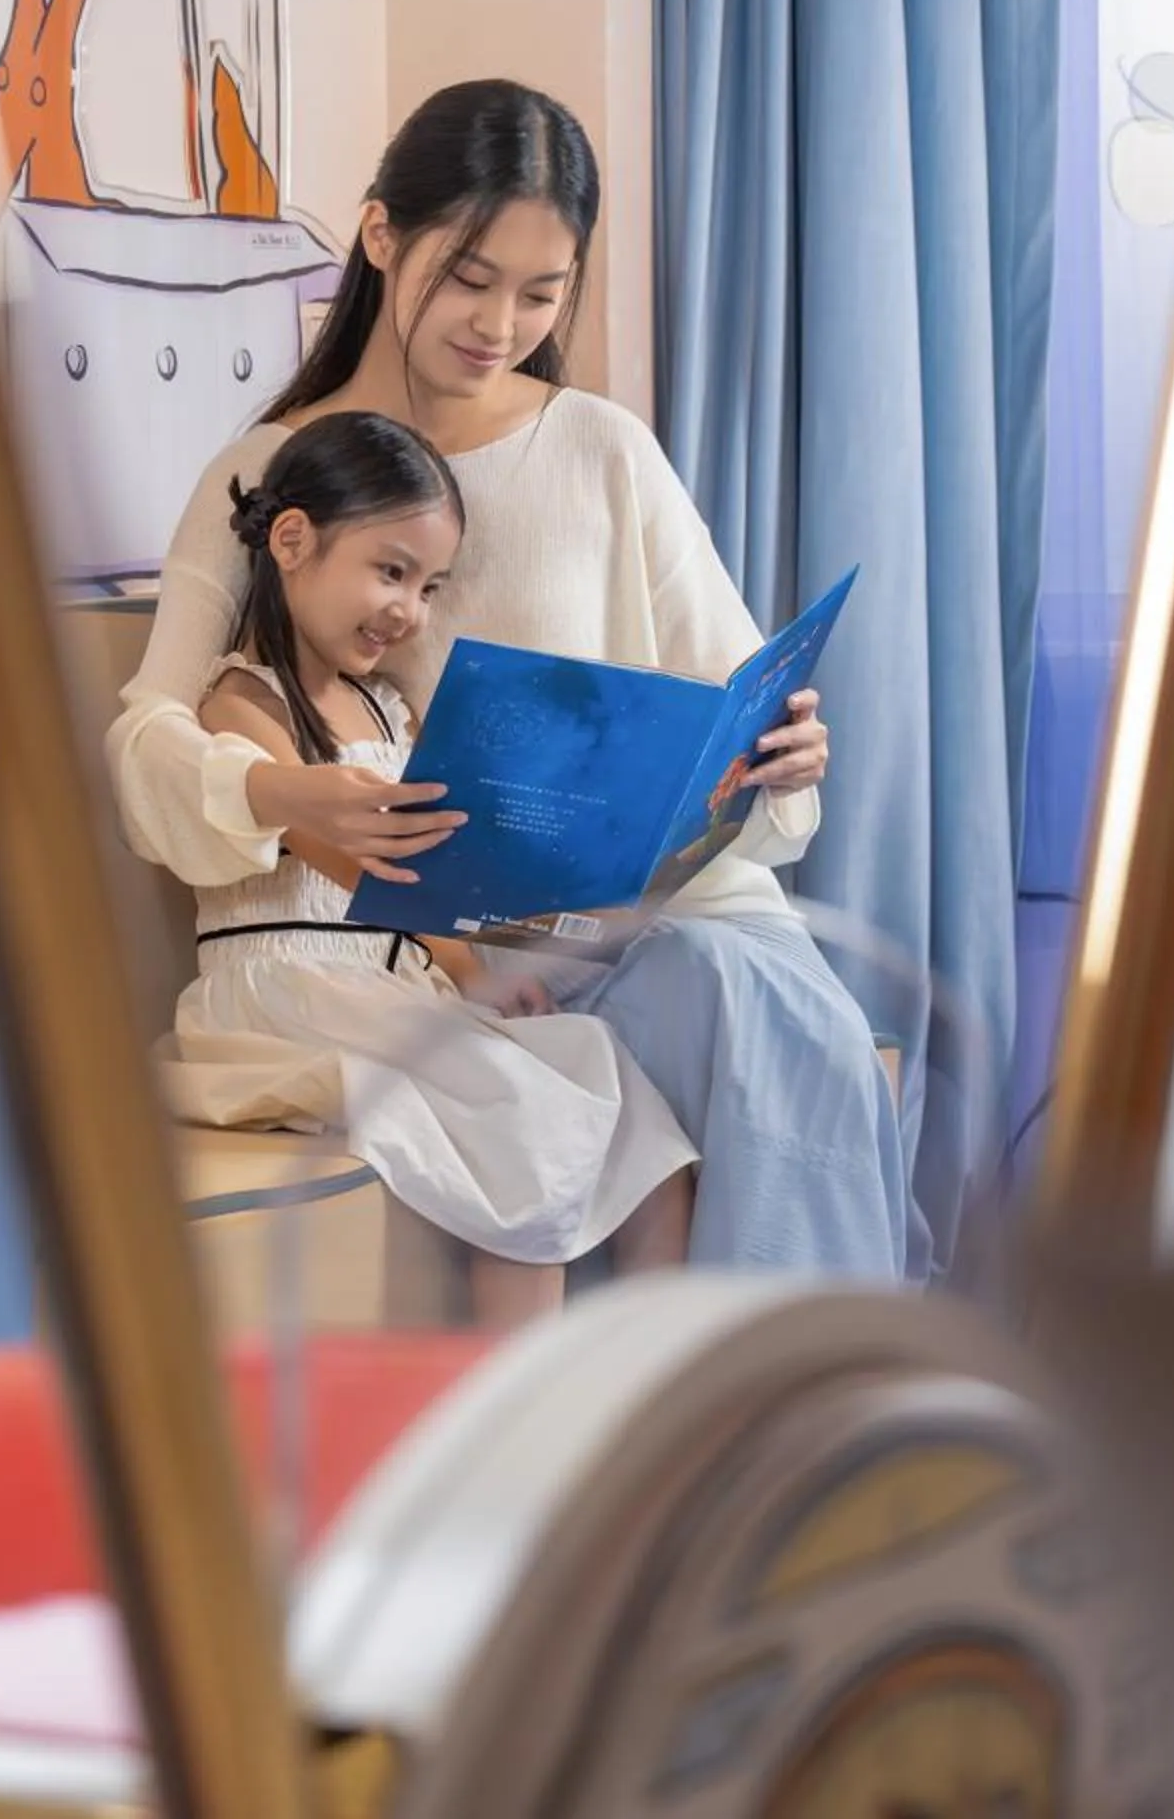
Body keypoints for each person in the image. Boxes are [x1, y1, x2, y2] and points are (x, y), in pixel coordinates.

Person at [110, 79, 911, 1278]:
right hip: (468, 958)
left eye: (542, 294)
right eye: (471, 280)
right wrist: (280, 798)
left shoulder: (600, 446)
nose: (500, 325)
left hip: (657, 917)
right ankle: (742, 1414)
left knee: (774, 1008)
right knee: (736, 1010)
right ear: (381, 237)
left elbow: (731, 689)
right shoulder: (276, 474)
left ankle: (787, 1410)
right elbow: (144, 739)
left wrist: (781, 751)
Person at [136, 407, 696, 1327]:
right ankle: (515, 1408)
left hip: (396, 983)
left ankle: (638, 1389)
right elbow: (370, 863)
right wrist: (469, 965)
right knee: (523, 1112)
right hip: (295, 990)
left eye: (430, 586)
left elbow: (440, 863)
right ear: (291, 541)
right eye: (390, 572)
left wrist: (486, 961)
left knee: (627, 1103)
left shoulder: (392, 709)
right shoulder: (240, 704)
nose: (410, 610)